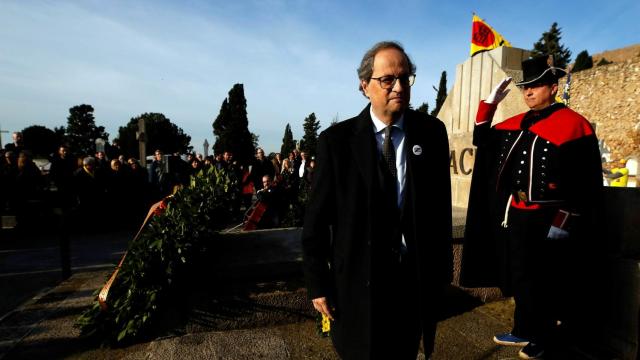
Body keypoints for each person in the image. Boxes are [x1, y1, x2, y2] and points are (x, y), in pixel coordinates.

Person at [302, 41, 452, 360]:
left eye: (405, 78)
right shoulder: (336, 142)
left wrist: (441, 276)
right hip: (357, 283)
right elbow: (316, 221)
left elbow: (439, 210)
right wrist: (318, 284)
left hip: (411, 283)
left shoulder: (431, 133)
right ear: (364, 86)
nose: (399, 87)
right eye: (388, 79)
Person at [461, 55, 605, 359]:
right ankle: (523, 329)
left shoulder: (574, 125)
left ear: (553, 88)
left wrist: (564, 221)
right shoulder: (519, 122)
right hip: (518, 214)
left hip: (550, 216)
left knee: (548, 282)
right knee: (522, 277)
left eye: (536, 86)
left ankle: (544, 339)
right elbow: (481, 140)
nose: (528, 92)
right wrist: (489, 105)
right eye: (525, 86)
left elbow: (586, 182)